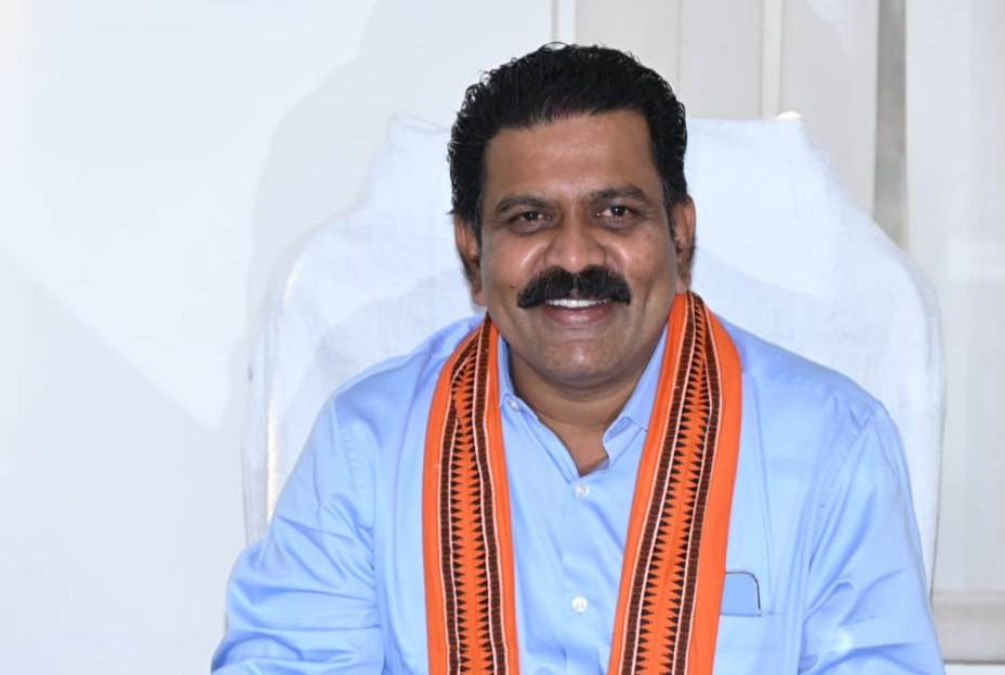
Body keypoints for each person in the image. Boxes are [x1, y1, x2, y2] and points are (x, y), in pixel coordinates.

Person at [213, 44, 943, 674]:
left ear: (679, 233)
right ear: (474, 251)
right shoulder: (367, 445)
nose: (572, 255)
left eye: (615, 212)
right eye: (529, 217)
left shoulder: (831, 443)